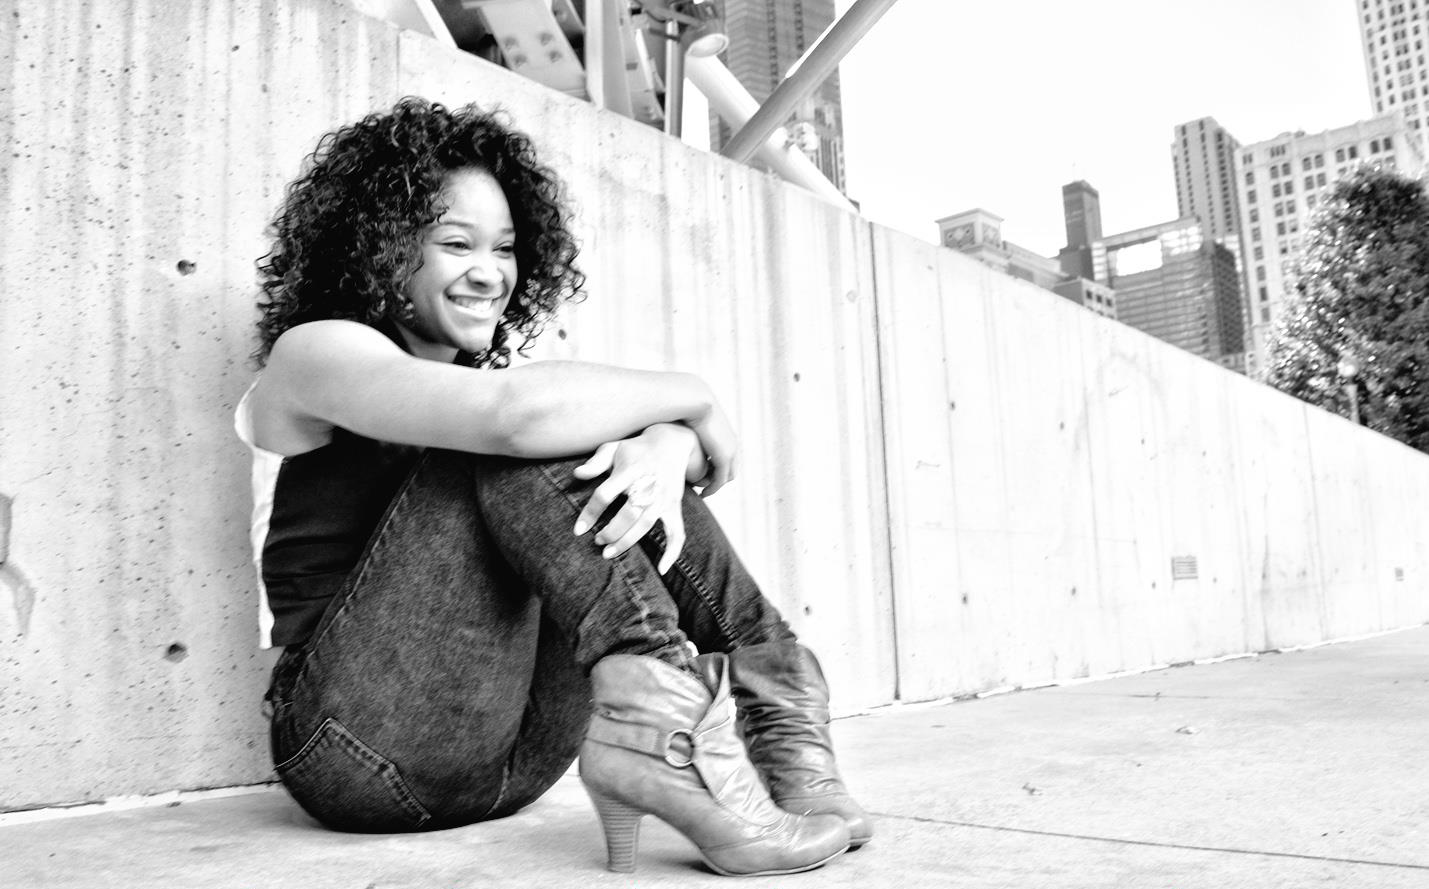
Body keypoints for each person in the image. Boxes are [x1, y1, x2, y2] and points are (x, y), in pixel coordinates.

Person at [235, 97, 871, 876]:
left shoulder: (498, 395)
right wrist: (693, 398)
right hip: (353, 749)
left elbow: (659, 456)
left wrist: (663, 443)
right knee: (530, 429)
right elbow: (514, 419)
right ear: (378, 246)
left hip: (525, 752)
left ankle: (783, 731)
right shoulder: (314, 353)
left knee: (580, 436)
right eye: (455, 243)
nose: (490, 272)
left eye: (505, 248)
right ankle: (670, 725)